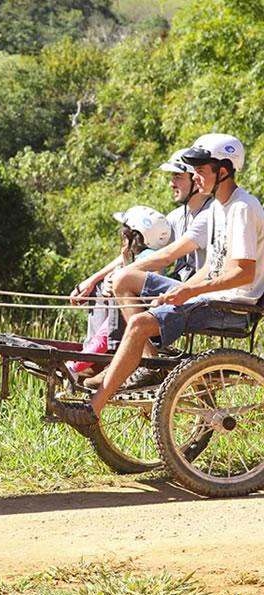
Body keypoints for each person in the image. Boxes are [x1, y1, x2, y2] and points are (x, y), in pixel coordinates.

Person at [53, 133, 264, 427]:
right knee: (125, 278)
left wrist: (188, 290)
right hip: (210, 297)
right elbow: (213, 268)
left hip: (230, 307)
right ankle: (149, 362)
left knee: (139, 325)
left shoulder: (242, 208)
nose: (195, 176)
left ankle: (92, 410)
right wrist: (183, 289)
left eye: (201, 171)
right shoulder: (217, 207)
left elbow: (244, 274)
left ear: (224, 171)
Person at [76, 148, 214, 388]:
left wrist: (124, 276)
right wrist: (93, 279)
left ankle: (142, 358)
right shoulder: (176, 217)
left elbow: (164, 256)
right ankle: (105, 357)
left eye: (177, 177)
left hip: (195, 289)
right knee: (104, 285)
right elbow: (144, 250)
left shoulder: (208, 216)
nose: (171, 183)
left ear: (195, 178)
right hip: (179, 283)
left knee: (123, 283)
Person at [66, 206, 171, 375]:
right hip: (130, 305)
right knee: (101, 291)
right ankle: (90, 358)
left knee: (105, 332)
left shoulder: (150, 255)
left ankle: (85, 363)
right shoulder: (138, 256)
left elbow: (154, 280)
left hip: (136, 308)